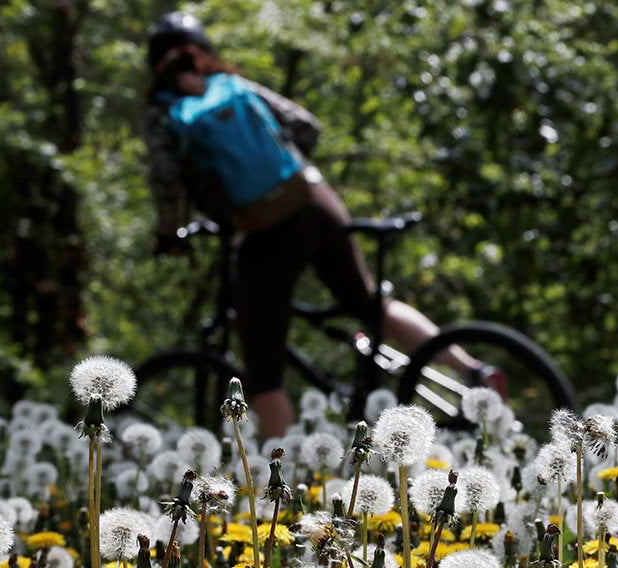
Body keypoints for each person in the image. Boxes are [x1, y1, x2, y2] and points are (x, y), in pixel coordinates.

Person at [143, 11, 505, 438]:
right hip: (315, 201)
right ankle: (473, 369)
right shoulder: (233, 85)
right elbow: (306, 126)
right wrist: (285, 172)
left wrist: (171, 233)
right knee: (370, 303)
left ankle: (284, 479)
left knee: (261, 372)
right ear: (202, 50)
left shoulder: (165, 111)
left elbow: (165, 178)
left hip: (263, 230)